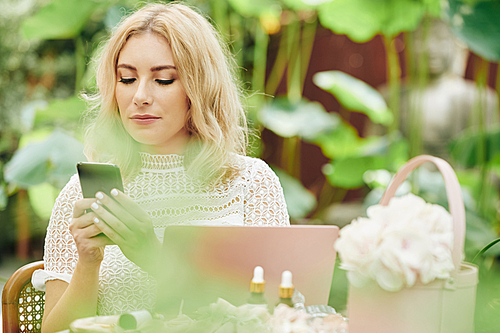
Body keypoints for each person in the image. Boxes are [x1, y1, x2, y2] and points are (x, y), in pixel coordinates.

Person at [32, 3, 290, 332]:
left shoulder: (252, 184)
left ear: (199, 88)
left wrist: (152, 255)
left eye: (163, 80)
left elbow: (273, 319)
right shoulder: (81, 194)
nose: (140, 95)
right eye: (126, 78)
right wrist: (88, 262)